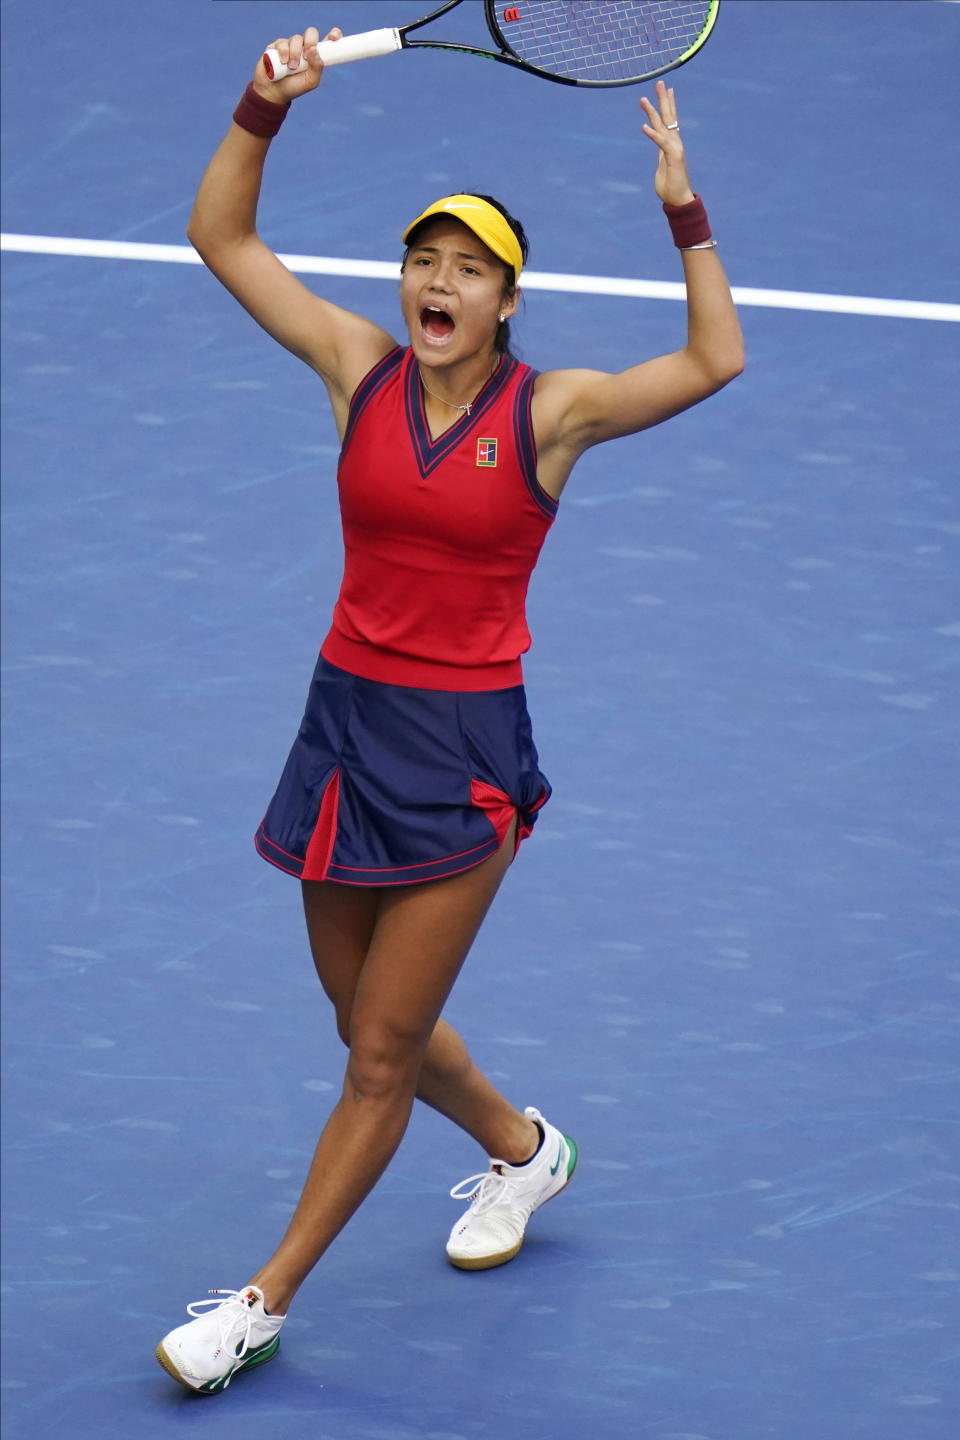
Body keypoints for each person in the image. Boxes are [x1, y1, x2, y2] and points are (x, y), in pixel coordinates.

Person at [156, 25, 744, 1395]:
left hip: (464, 755)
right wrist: (262, 100)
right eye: (425, 257)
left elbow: (714, 358)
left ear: (505, 304)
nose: (438, 280)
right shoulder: (357, 368)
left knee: (374, 1055)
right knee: (370, 1017)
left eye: (468, 268)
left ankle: (260, 1301)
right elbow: (218, 238)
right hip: (343, 730)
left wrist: (683, 212)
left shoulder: (556, 417)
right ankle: (526, 1150)